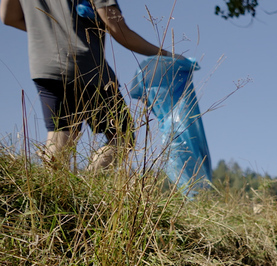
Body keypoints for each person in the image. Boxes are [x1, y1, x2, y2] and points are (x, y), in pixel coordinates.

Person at [1, 0, 182, 168]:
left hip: (43, 64)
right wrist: (166, 55)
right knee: (123, 136)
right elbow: (119, 30)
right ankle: (88, 187)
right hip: (85, 65)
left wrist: (45, 30)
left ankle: (48, 195)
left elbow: (8, 17)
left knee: (62, 132)